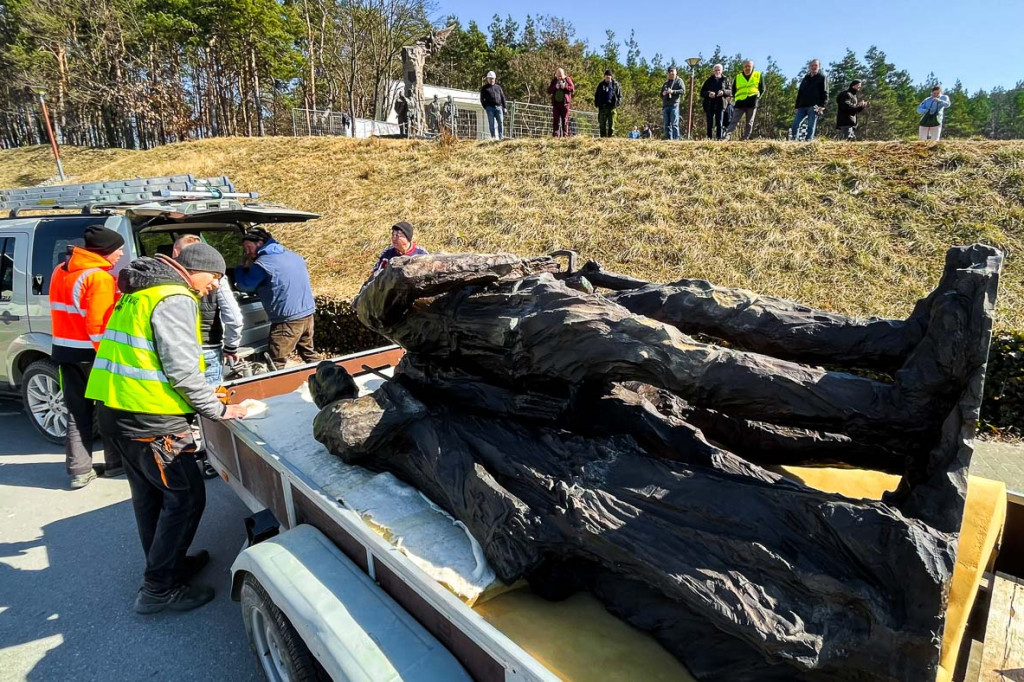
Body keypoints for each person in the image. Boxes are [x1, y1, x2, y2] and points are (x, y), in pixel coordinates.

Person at [86, 244, 247, 614]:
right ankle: (159, 588)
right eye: (215, 278)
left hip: (115, 408)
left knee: (150, 497)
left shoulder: (141, 292)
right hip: (150, 416)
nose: (214, 287)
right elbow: (182, 370)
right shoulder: (175, 297)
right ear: (196, 270)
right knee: (187, 496)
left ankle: (167, 563)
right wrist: (220, 409)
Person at [49, 225, 125, 489]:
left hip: (63, 351)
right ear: (104, 251)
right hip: (92, 354)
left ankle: (80, 470)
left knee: (77, 412)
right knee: (108, 410)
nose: (121, 253)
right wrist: (108, 357)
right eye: (118, 249)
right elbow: (97, 326)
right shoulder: (99, 278)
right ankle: (116, 465)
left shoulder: (60, 270)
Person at [234, 228, 317, 370]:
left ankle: (278, 391)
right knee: (309, 354)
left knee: (275, 362)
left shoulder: (263, 263)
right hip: (307, 315)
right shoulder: (292, 255)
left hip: (287, 321)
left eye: (248, 247)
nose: (247, 252)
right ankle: (333, 380)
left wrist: (240, 267)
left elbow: (244, 285)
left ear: (260, 243)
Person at [791, 59, 828, 141]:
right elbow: (800, 93)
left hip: (814, 106)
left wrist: (822, 106)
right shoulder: (805, 78)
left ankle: (808, 141)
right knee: (795, 124)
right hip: (802, 106)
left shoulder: (822, 78)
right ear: (809, 67)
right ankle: (794, 140)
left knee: (811, 125)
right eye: (812, 65)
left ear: (819, 67)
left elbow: (825, 92)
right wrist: (796, 106)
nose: (813, 67)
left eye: (816, 65)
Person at [726, 60, 764, 140]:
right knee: (734, 120)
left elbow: (762, 88)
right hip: (740, 102)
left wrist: (757, 97)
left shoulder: (758, 75)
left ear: (752, 67)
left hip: (752, 101)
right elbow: (734, 89)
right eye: (745, 66)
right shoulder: (738, 77)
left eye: (749, 66)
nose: (747, 68)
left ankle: (745, 137)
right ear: (743, 67)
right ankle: (727, 136)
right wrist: (734, 98)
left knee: (749, 122)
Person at [700, 63, 732, 140]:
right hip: (710, 104)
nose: (717, 72)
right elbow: (702, 92)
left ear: (722, 71)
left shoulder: (725, 80)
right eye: (715, 70)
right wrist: (708, 94)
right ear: (713, 71)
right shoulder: (709, 80)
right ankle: (709, 138)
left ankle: (719, 138)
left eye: (719, 70)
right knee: (709, 123)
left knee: (719, 123)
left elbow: (731, 91)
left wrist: (723, 92)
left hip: (721, 104)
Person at [594, 69, 623, 138]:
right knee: (602, 125)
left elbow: (619, 96)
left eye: (609, 76)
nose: (608, 77)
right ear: (604, 76)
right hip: (602, 107)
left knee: (611, 125)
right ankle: (602, 139)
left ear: (611, 76)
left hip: (612, 108)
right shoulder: (601, 85)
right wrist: (596, 103)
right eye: (606, 76)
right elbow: (596, 95)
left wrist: (617, 104)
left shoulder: (615, 85)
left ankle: (611, 139)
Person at [547, 68, 575, 137]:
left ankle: (565, 136)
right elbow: (549, 90)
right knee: (555, 120)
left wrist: (565, 86)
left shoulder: (567, 79)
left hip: (565, 104)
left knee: (565, 120)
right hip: (556, 104)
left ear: (563, 74)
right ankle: (555, 136)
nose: (559, 77)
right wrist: (555, 87)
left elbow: (572, 88)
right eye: (558, 75)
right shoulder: (554, 81)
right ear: (556, 74)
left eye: (560, 75)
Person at [660, 66, 686, 140]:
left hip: (674, 104)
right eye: (669, 72)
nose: (671, 73)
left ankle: (676, 138)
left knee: (674, 123)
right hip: (665, 105)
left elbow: (683, 91)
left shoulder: (679, 81)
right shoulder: (665, 83)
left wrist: (673, 91)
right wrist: (664, 93)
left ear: (676, 72)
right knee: (666, 123)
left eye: (672, 71)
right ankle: (668, 138)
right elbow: (660, 94)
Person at [480, 71, 507, 140]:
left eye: (492, 78)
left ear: (495, 79)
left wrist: (504, 107)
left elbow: (502, 97)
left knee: (500, 122)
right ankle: (493, 137)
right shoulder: (484, 88)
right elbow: (482, 99)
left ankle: (501, 137)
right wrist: (486, 107)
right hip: (490, 108)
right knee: (491, 123)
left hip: (499, 107)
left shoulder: (498, 88)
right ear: (488, 79)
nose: (491, 80)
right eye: (490, 78)